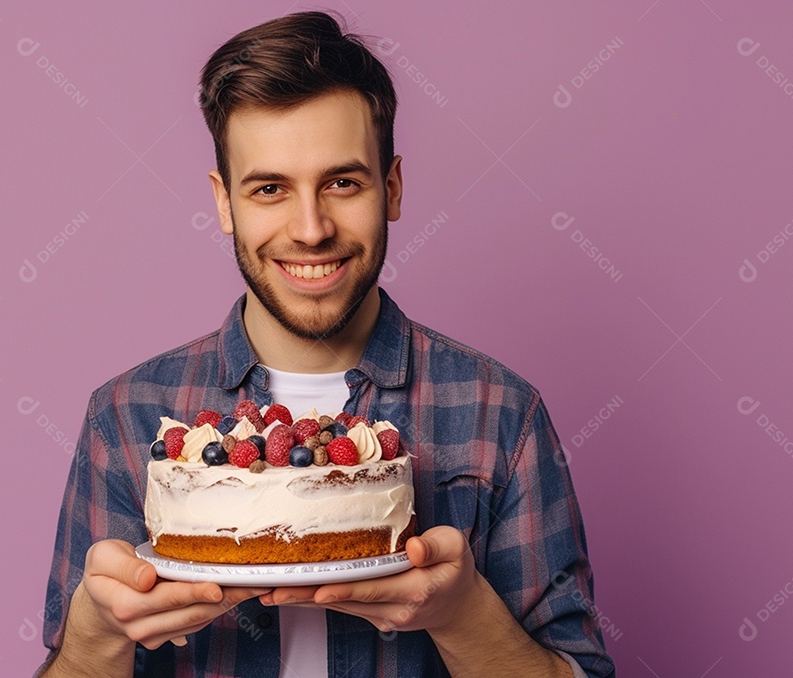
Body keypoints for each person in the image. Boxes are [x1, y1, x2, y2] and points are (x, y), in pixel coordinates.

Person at [37, 11, 615, 678]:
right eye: (270, 189)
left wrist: (463, 614)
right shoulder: (126, 415)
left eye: (342, 182)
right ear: (224, 203)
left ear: (391, 188)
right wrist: (92, 639)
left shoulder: (500, 414)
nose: (310, 229)